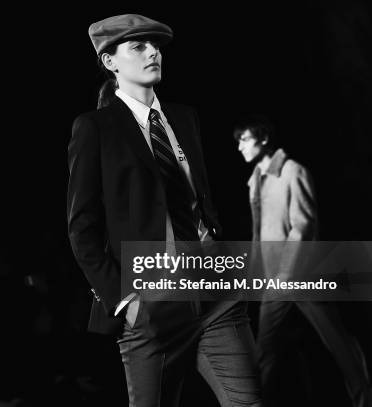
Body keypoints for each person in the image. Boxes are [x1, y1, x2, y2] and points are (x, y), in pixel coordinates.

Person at [67, 14, 262, 407]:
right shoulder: (95, 128)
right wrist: (126, 302)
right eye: (138, 46)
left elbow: (202, 200)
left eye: (155, 45)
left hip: (214, 295)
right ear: (110, 62)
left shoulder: (185, 118)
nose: (153, 51)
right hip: (151, 305)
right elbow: (81, 228)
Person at [235, 115, 371, 407]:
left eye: (244, 140)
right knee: (265, 350)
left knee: (337, 342)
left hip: (302, 274)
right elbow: (260, 230)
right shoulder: (255, 179)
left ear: (263, 139)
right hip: (273, 279)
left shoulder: (292, 171)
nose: (239, 147)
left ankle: (365, 397)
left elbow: (303, 224)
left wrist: (287, 270)